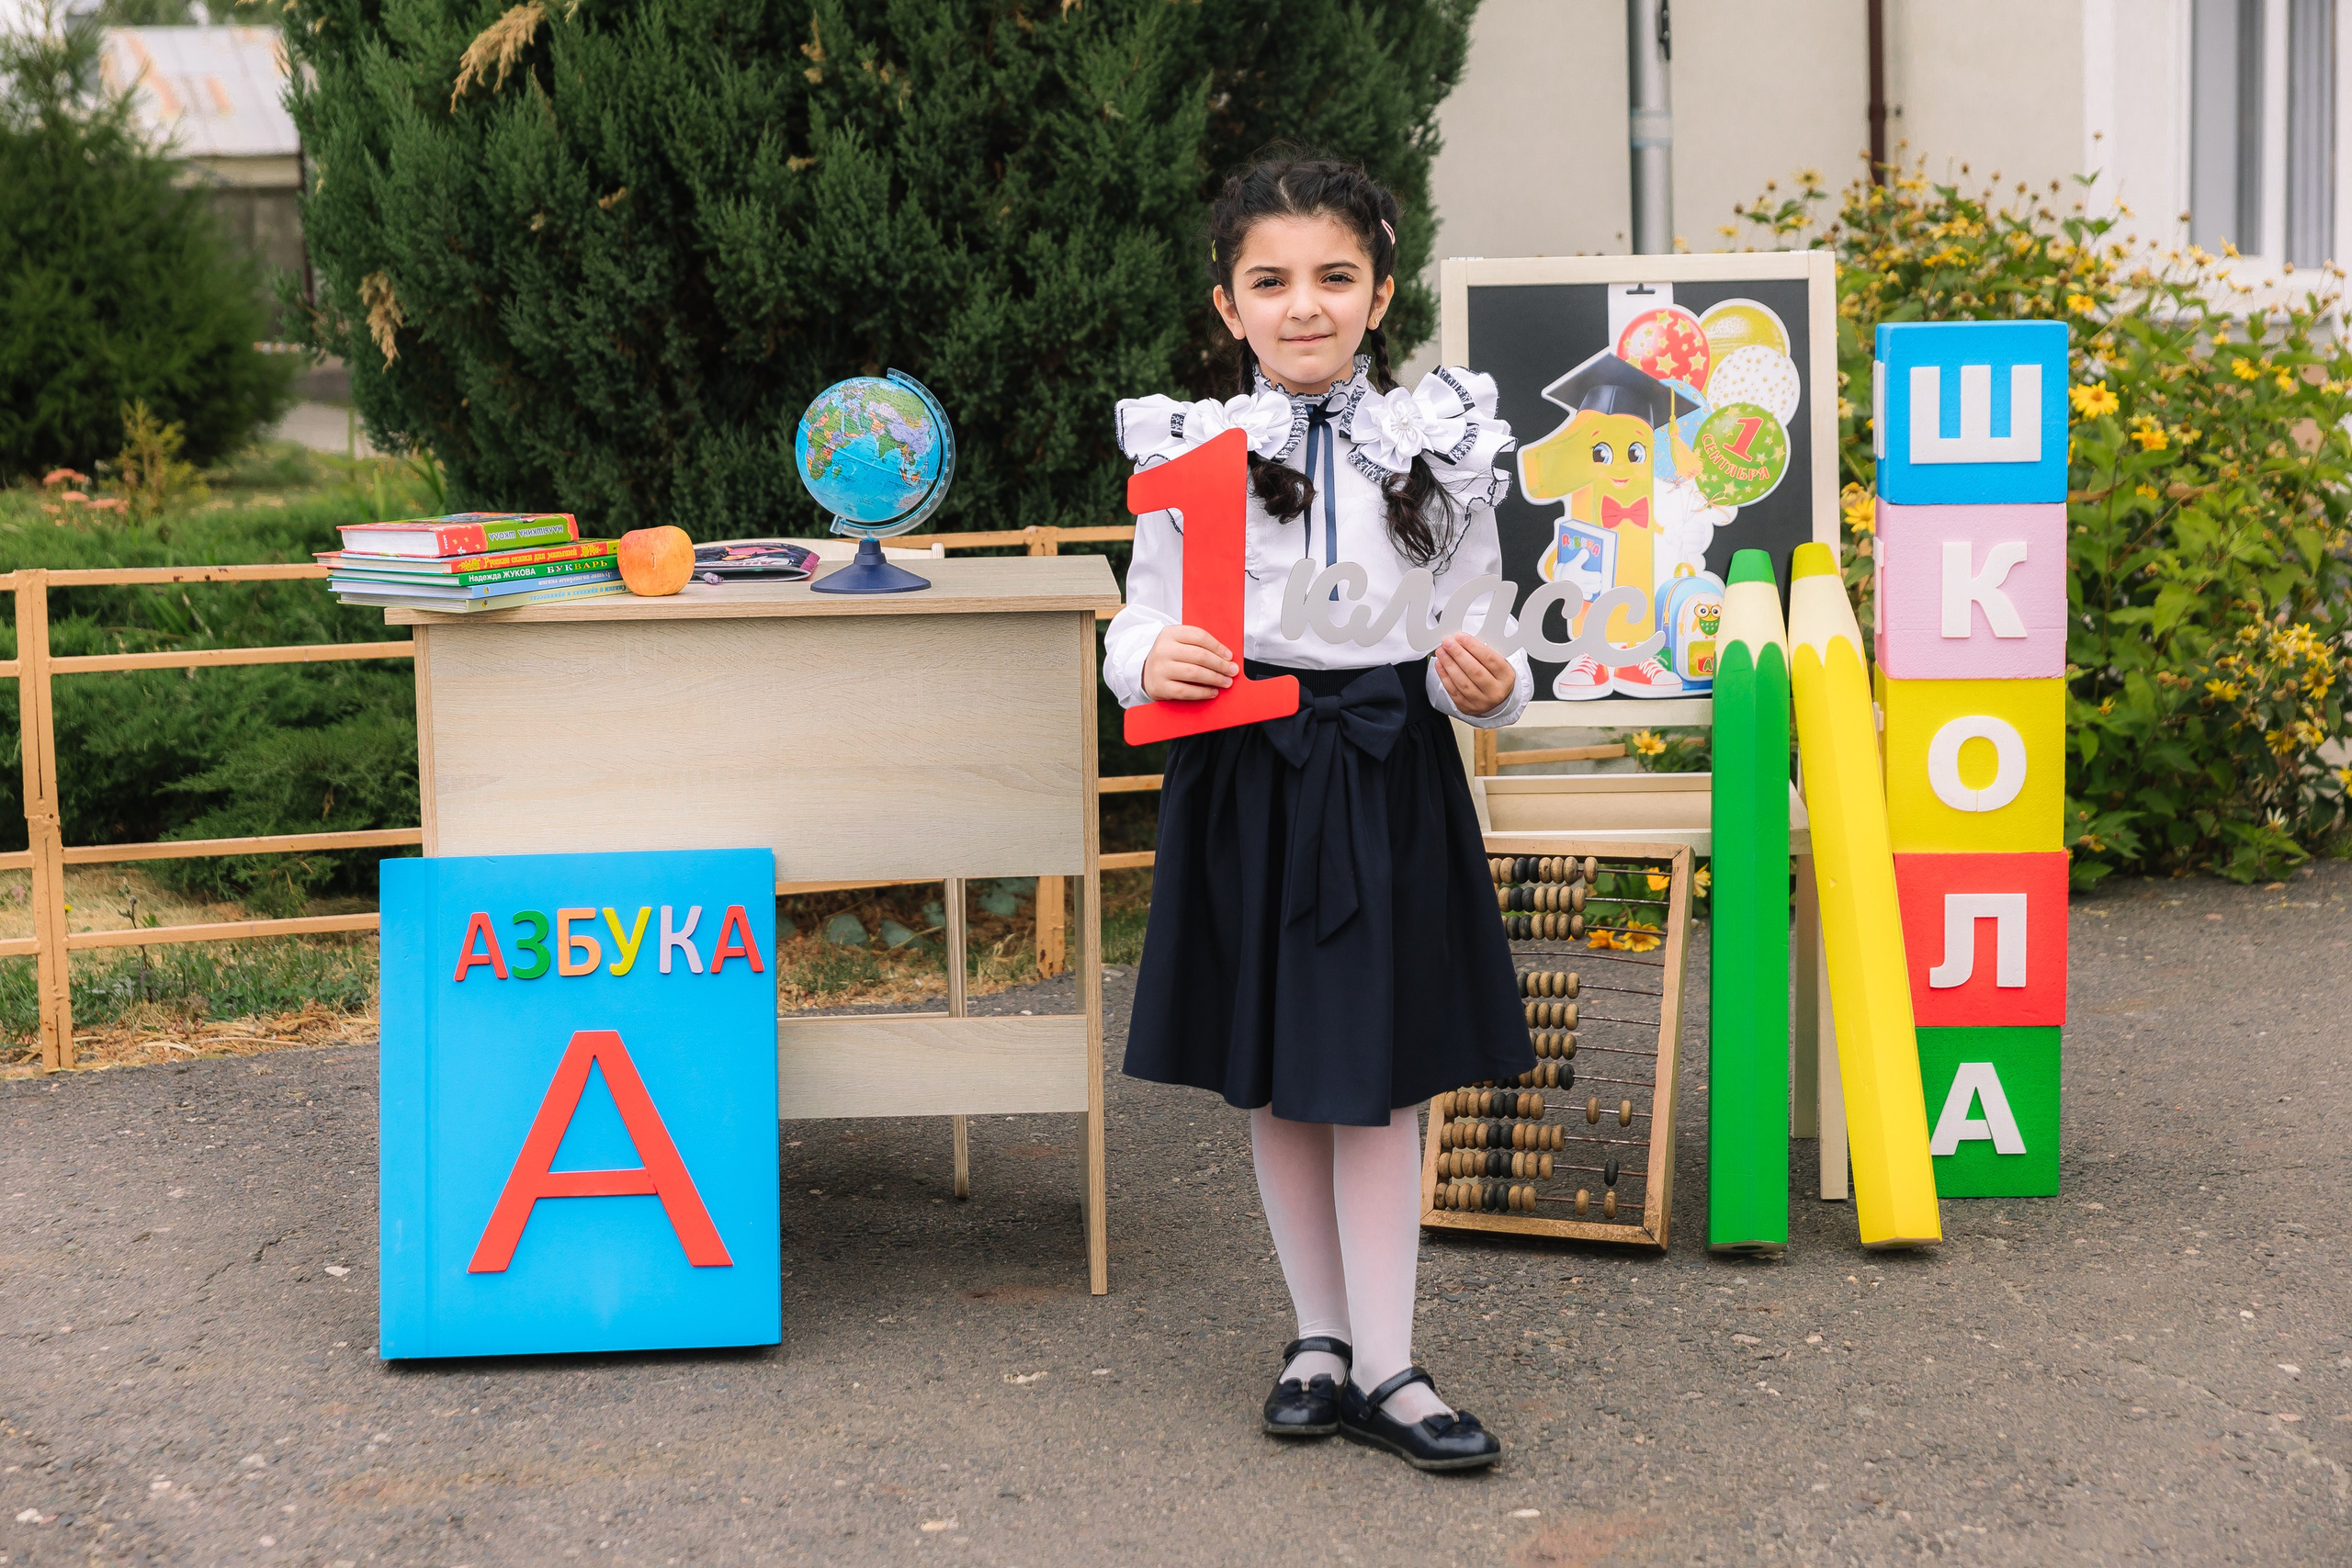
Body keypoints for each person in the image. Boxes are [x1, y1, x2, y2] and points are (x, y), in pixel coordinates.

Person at [1102, 154, 1533, 1472]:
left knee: (1383, 1084)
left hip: (1390, 768)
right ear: (1228, 305)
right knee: (1278, 1077)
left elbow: (1487, 633)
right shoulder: (1196, 453)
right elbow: (1143, 612)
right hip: (1246, 779)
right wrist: (1144, 658)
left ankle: (1392, 1365)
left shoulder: (1443, 451)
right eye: (1271, 281)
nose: (1305, 305)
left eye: (1334, 277)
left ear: (1380, 293)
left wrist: (1494, 688)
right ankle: (1317, 1342)